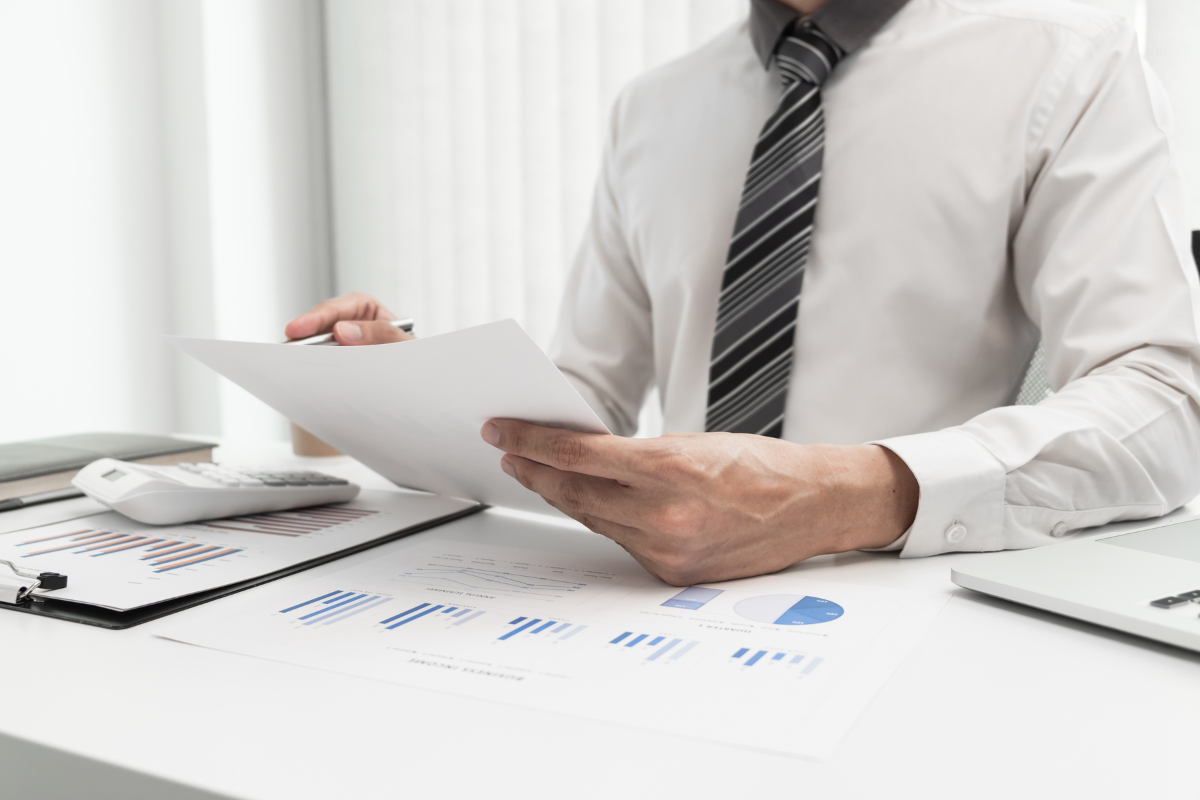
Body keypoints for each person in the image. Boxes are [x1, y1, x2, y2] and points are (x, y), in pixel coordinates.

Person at [285, 0, 1200, 586]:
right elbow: (580, 401)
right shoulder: (652, 107)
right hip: (654, 619)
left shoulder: (1069, 66)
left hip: (910, 624)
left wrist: (845, 494)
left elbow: (1166, 405)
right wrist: (418, 387)